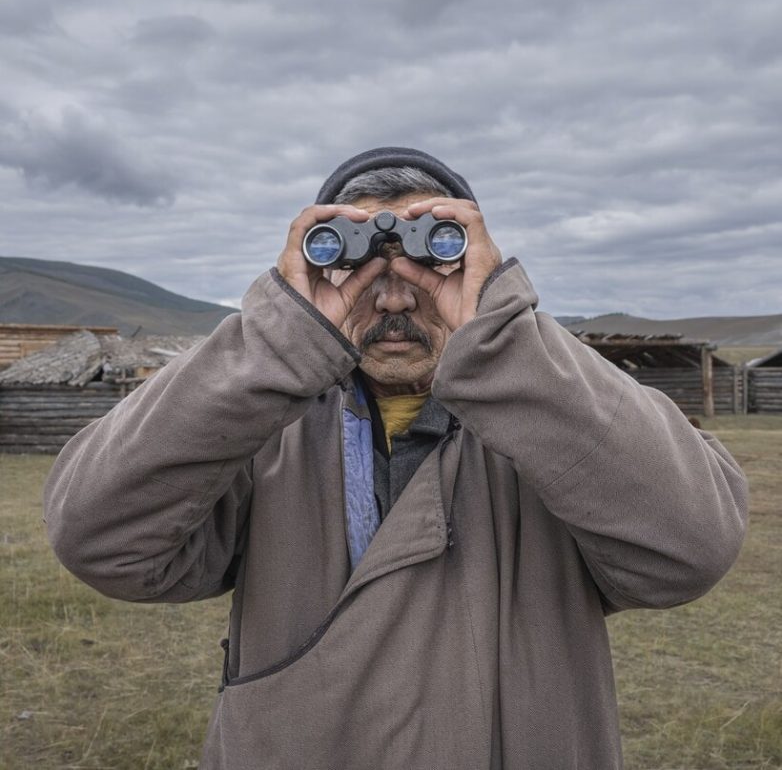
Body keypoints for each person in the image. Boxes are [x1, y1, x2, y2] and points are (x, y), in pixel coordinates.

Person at [44, 147, 748, 769]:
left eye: (431, 256)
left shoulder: (553, 414)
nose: (391, 295)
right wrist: (276, 340)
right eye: (356, 261)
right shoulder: (265, 435)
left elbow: (692, 547)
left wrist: (502, 338)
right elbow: (99, 537)